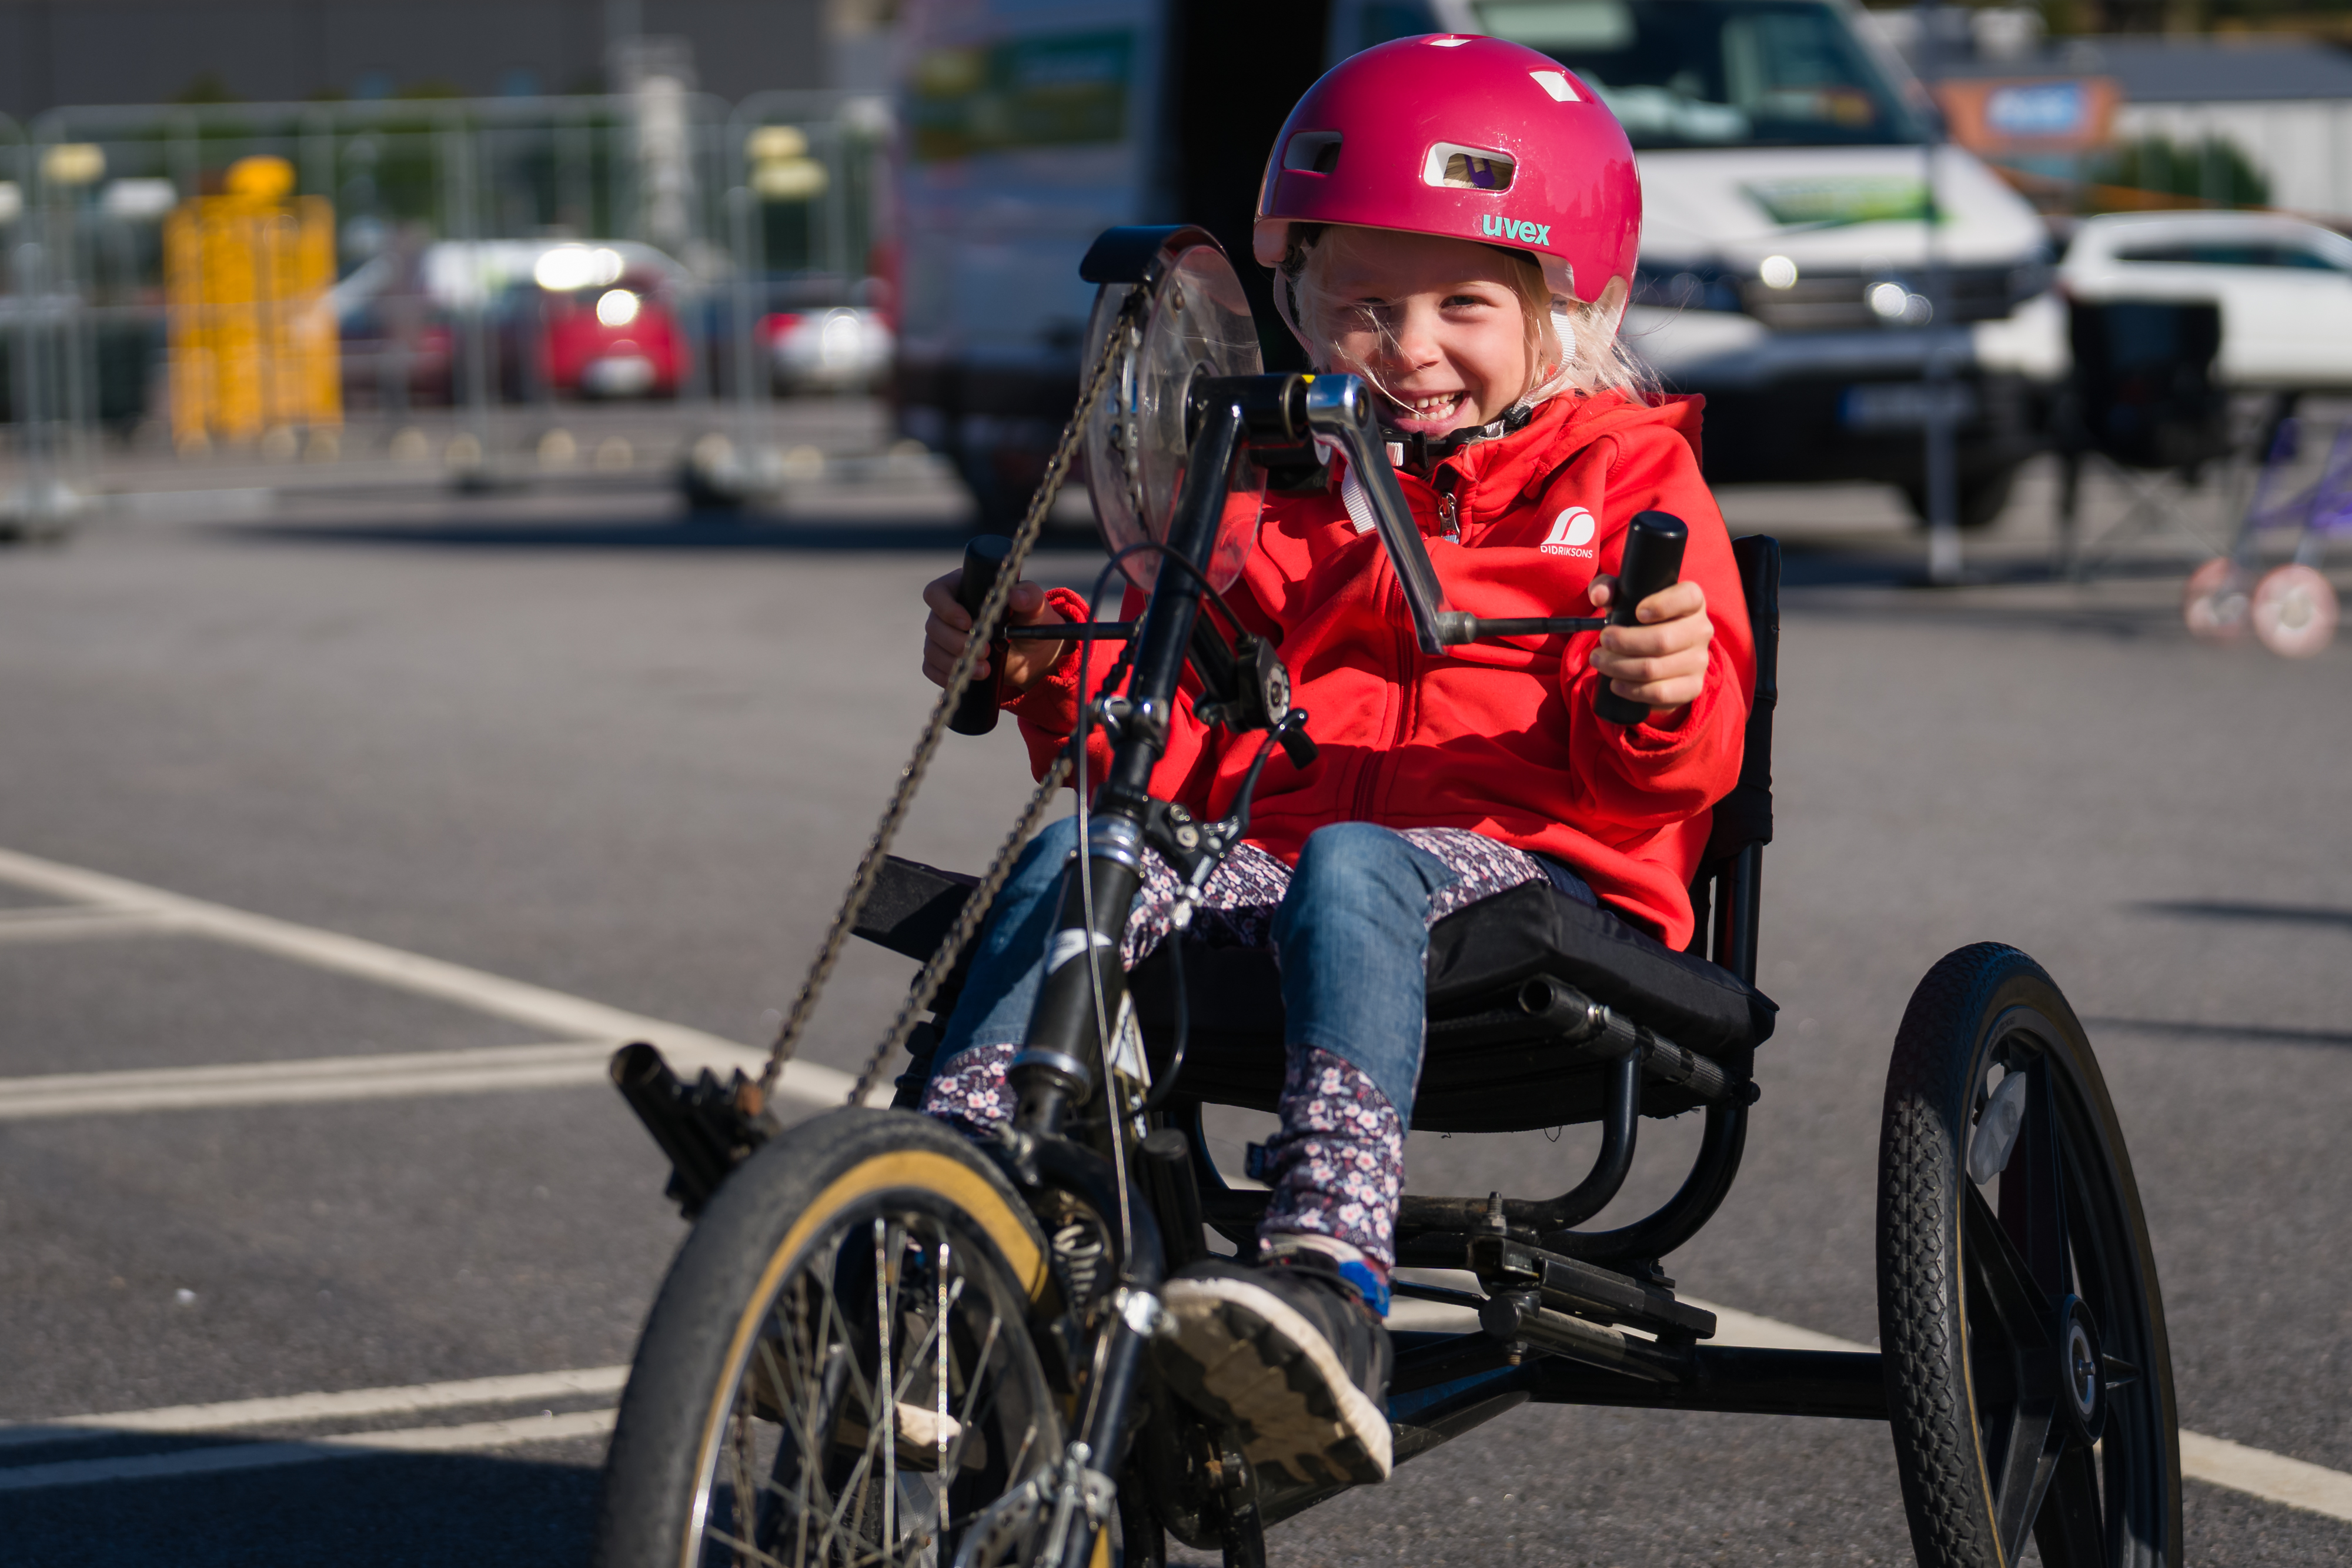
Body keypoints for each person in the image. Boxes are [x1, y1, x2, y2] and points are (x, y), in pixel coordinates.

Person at [913, 34, 1755, 1492]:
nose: (1406, 345)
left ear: (1568, 305)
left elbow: (1665, 778)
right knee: (1077, 856)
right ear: (1294, 302)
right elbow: (1175, 743)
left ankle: (1327, 1275)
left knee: (1359, 862)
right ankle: (938, 1235)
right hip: (1281, 871)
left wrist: (1658, 687)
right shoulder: (1273, 488)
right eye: (1358, 304)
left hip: (1542, 882)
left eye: (1461, 304)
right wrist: (1043, 670)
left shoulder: (1627, 480)